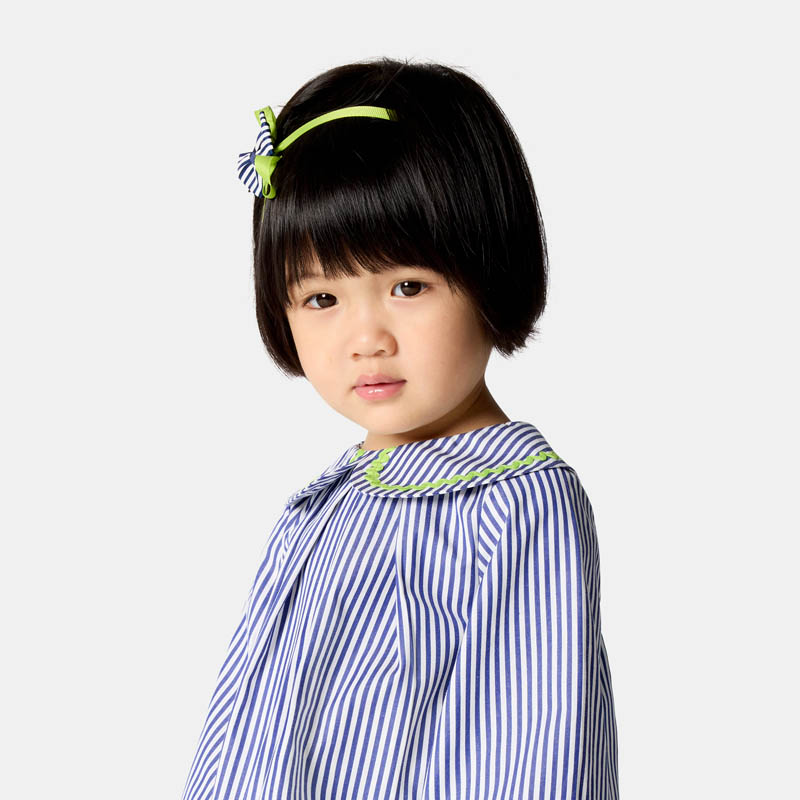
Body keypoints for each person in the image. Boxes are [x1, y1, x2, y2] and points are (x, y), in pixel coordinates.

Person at [181, 57, 618, 799]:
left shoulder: (514, 507)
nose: (366, 339)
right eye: (322, 299)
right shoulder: (323, 505)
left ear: (490, 271)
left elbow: (537, 754)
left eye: (408, 286)